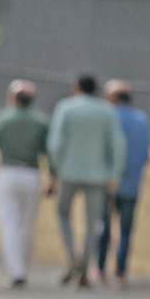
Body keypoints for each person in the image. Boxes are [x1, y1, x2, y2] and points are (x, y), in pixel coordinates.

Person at [46, 74, 125, 287]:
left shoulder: (66, 108)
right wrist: (114, 174)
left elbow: (55, 144)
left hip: (69, 172)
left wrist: (56, 169)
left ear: (76, 88)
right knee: (93, 222)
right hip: (98, 175)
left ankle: (73, 256)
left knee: (63, 213)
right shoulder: (106, 111)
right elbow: (118, 145)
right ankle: (85, 266)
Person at [0, 79, 50, 288]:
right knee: (27, 225)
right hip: (31, 173)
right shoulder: (41, 123)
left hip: (8, 172)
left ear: (13, 98)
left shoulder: (2, 119)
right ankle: (23, 266)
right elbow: (48, 151)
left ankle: (16, 271)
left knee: (9, 224)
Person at [95, 79, 150, 287]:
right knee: (126, 230)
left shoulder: (107, 117)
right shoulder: (142, 120)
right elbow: (145, 154)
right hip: (132, 183)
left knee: (102, 227)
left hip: (106, 181)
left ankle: (100, 268)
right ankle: (121, 271)